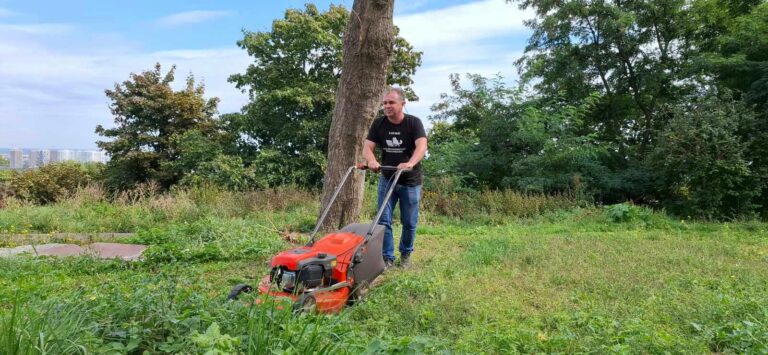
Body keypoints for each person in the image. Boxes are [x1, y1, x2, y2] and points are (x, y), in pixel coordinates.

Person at [363, 87, 427, 269]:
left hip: (410, 182)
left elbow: (422, 146)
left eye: (391, 102)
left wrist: (411, 163)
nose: (387, 106)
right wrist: (372, 160)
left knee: (409, 222)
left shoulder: (413, 123)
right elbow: (367, 147)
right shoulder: (379, 124)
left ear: (402, 104)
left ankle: (405, 254)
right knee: (383, 221)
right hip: (387, 179)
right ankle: (388, 258)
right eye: (384, 103)